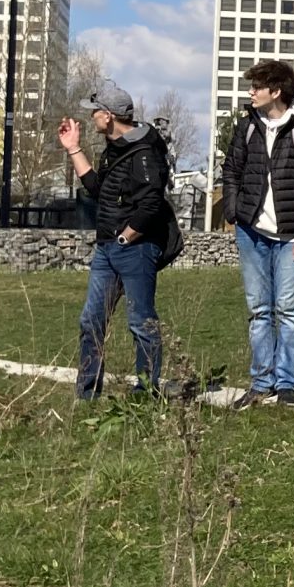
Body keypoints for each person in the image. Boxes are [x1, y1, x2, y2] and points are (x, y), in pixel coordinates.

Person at [60, 81, 173, 401]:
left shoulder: (144, 153)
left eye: (95, 111)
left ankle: (145, 392)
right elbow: (99, 189)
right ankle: (87, 393)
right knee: (91, 320)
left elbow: (151, 204)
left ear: (108, 116)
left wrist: (125, 237)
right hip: (107, 249)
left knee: (141, 322)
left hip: (135, 249)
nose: (91, 116)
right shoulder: (115, 149)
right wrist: (73, 148)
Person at [219, 59, 294, 404]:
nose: (251, 92)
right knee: (258, 310)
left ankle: (287, 383)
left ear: (275, 91)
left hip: (290, 236)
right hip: (252, 232)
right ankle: (261, 382)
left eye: (257, 87)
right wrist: (234, 211)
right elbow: (231, 170)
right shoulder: (247, 126)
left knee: (288, 311)